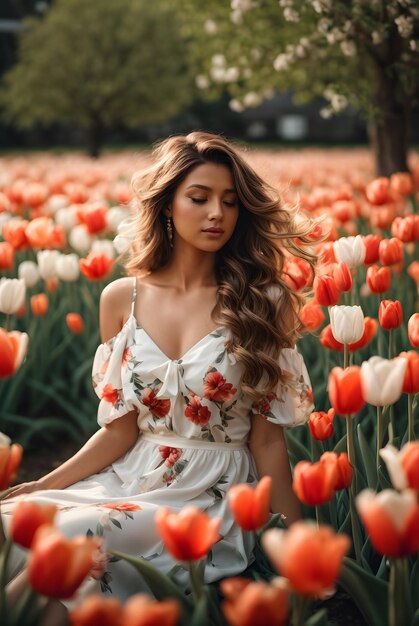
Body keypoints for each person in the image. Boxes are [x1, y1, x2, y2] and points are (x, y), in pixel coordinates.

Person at [2, 131, 315, 611]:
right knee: (16, 523)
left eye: (230, 202)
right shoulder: (121, 299)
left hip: (209, 495)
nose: (217, 213)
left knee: (76, 545)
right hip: (131, 477)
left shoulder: (261, 304)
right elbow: (119, 431)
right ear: (167, 203)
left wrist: (301, 548)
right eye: (200, 197)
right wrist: (45, 484)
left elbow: (267, 441)